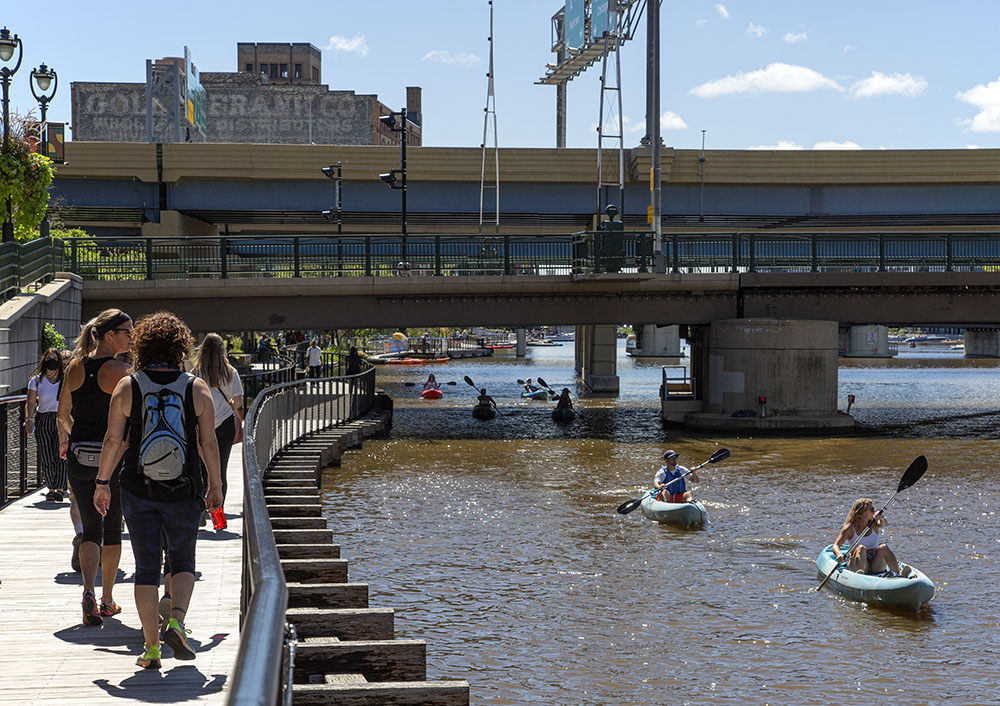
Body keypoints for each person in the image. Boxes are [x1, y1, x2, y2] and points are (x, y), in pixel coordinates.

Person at [94, 311, 223, 670]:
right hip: (184, 487)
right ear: (181, 347)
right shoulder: (196, 387)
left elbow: (113, 440)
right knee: (183, 560)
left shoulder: (128, 385)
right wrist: (216, 484)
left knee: (146, 567)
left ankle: (151, 648)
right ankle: (177, 620)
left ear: (143, 345)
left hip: (138, 487)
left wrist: (102, 483)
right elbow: (208, 442)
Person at [57, 308, 133, 625]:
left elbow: (62, 415)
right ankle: (106, 598)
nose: (132, 336)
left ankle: (87, 589)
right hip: (111, 460)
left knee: (90, 529)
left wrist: (76, 440)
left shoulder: (74, 366)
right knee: (111, 530)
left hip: (78, 458)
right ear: (110, 335)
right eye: (128, 331)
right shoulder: (121, 371)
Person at [192, 332, 244, 520]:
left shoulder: (196, 373)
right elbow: (238, 401)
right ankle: (217, 516)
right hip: (225, 424)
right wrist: (227, 404)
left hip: (200, 424)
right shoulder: (231, 372)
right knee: (220, 469)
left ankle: (200, 512)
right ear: (222, 350)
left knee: (200, 468)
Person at [25, 348, 69, 502]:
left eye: (55, 359)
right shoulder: (36, 380)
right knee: (46, 455)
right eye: (49, 358)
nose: (52, 362)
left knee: (61, 453)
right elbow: (30, 402)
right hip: (43, 418)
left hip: (61, 419)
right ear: (44, 361)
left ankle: (60, 488)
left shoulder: (66, 379)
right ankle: (50, 487)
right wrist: (29, 419)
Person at [832, 498, 901, 575]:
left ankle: (899, 574)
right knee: (861, 548)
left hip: (875, 563)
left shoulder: (874, 523)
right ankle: (860, 575)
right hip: (856, 563)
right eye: (871, 509)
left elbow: (884, 524)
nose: (874, 511)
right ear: (862, 512)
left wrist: (881, 517)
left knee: (884, 547)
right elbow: (836, 545)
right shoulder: (849, 528)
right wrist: (838, 554)